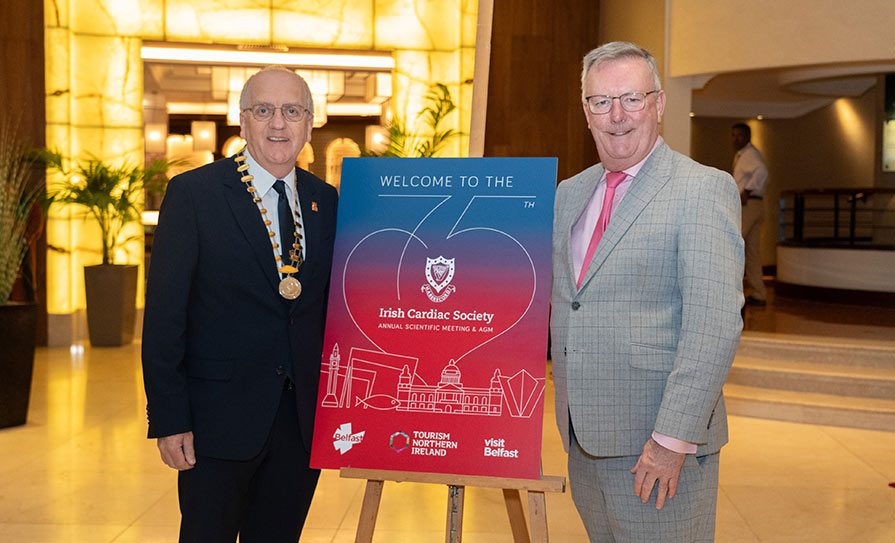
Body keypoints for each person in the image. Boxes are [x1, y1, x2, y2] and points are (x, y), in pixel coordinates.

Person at [550, 41, 744, 542]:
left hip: (656, 449)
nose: (617, 116)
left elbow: (714, 326)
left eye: (632, 99)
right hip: (584, 443)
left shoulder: (702, 189)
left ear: (659, 105)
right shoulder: (569, 193)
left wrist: (671, 440)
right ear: (586, 112)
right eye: (601, 101)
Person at [142, 66, 338, 543]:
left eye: (292, 111)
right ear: (243, 119)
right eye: (264, 110)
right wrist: (169, 419)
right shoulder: (195, 194)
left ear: (309, 123)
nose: (279, 123)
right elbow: (165, 317)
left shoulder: (326, 201)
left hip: (300, 424)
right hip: (216, 422)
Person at [731, 122, 769, 306]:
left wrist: (747, 190)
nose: (736, 139)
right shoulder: (744, 155)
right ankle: (759, 294)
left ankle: (730, 293)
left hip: (749, 206)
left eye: (740, 135)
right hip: (755, 205)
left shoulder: (749, 155)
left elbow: (762, 172)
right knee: (752, 252)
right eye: (733, 135)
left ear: (748, 136)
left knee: (732, 244)